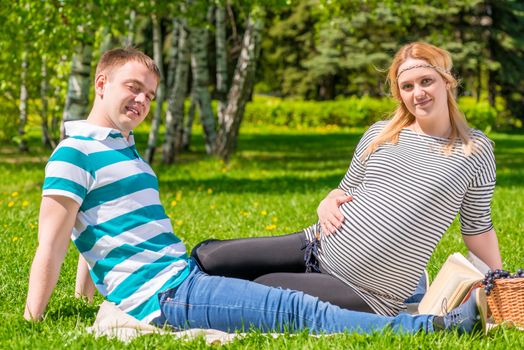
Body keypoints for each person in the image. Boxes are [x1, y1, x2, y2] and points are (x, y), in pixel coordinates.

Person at [24, 47, 485, 335]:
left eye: (149, 93)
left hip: (175, 277)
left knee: (253, 284)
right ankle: (427, 328)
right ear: (100, 84)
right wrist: (32, 321)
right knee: (297, 311)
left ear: (447, 84)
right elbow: (53, 242)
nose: (142, 101)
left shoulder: (124, 150)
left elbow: (94, 224)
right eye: (133, 89)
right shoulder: (74, 154)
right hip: (166, 294)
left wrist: (90, 295)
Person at [191, 42, 503, 316]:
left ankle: (187, 301)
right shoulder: (381, 135)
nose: (417, 93)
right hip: (315, 244)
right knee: (209, 256)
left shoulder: (474, 150)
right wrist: (327, 200)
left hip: (366, 292)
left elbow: (477, 228)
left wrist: (501, 280)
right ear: (399, 94)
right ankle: (161, 286)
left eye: (426, 81)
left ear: (446, 82)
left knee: (261, 286)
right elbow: (345, 190)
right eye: (407, 86)